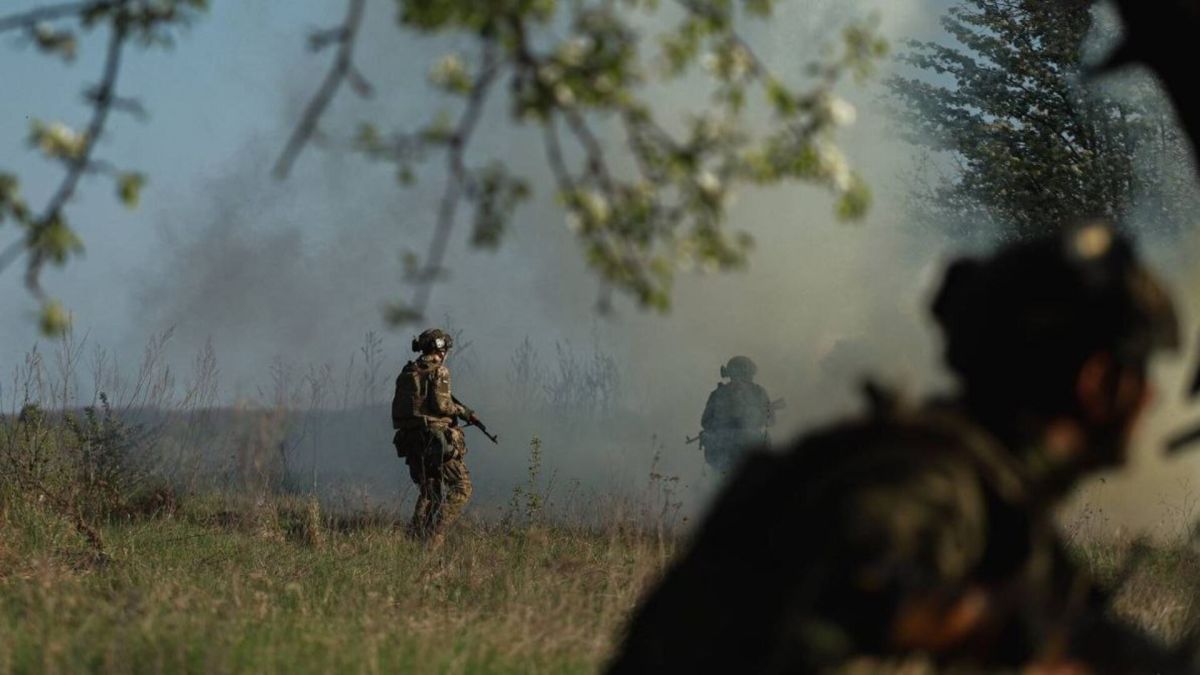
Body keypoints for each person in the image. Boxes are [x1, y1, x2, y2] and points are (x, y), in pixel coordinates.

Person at [609, 224, 1195, 674]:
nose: (1150, 398)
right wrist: (978, 624)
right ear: (1099, 383)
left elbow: (1086, 635)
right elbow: (827, 594)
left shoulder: (994, 495)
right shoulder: (926, 482)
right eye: (1141, 370)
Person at [392, 328, 479, 546]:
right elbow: (441, 405)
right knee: (462, 487)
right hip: (435, 440)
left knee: (430, 492)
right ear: (440, 349)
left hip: (411, 440)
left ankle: (414, 539)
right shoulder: (439, 372)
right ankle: (434, 533)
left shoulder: (408, 372)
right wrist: (462, 411)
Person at [699, 356, 776, 473]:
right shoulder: (759, 392)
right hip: (751, 452)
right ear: (750, 372)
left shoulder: (718, 393)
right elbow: (771, 421)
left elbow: (705, 422)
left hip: (723, 452)